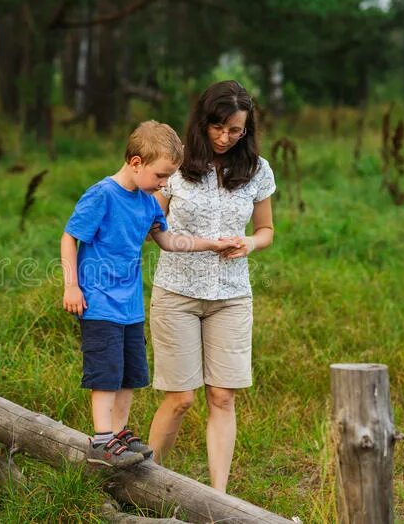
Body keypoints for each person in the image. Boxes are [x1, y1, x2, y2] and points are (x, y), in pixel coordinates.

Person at [61, 120, 238, 468]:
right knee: (106, 373)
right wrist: (72, 285)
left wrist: (211, 244)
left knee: (129, 373)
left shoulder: (148, 204)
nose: (164, 184)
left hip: (130, 307)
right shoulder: (102, 195)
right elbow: (69, 237)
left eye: (168, 178)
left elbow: (169, 241)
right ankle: (101, 441)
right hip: (99, 302)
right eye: (160, 176)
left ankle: (119, 434)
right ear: (136, 162)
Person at [147, 80, 276, 491]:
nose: (225, 137)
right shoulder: (177, 166)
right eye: (218, 127)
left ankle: (219, 497)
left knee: (222, 397)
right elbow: (152, 224)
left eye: (235, 130)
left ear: (247, 128)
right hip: (177, 293)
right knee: (180, 398)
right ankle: (144, 481)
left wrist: (250, 243)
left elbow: (267, 229)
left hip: (232, 297)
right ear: (203, 122)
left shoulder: (257, 169)